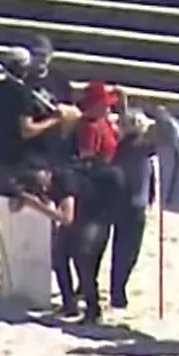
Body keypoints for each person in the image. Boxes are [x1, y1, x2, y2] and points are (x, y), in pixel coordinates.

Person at [57, 82, 123, 323]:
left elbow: (87, 157)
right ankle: (81, 302)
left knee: (75, 254)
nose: (108, 108)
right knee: (85, 255)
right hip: (103, 194)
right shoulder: (97, 125)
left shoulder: (94, 126)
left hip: (91, 194)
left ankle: (81, 304)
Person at [107, 106, 156, 309]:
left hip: (132, 202)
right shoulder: (135, 146)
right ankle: (118, 291)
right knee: (127, 251)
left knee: (123, 250)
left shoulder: (127, 145)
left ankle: (117, 289)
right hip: (132, 204)